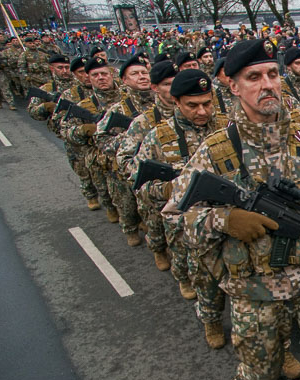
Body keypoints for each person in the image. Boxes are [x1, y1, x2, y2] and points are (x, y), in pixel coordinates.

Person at [162, 39, 300, 380]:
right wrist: (225, 221)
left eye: (273, 74)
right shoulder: (216, 149)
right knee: (261, 367)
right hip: (252, 288)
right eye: (253, 77)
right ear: (234, 87)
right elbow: (174, 215)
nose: (267, 84)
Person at [134, 69, 234, 348]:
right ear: (176, 102)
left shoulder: (229, 126)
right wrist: (168, 190)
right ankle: (212, 321)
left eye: (207, 103)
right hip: (189, 224)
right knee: (205, 280)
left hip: (230, 217)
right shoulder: (158, 136)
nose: (202, 111)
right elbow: (138, 183)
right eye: (193, 105)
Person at [116, 60, 180, 273]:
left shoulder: (194, 116)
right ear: (156, 88)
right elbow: (124, 160)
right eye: (167, 84)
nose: (173, 89)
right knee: (155, 226)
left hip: (184, 189)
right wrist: (151, 174)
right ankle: (158, 249)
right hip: (156, 190)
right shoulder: (144, 122)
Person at [94, 55, 157, 247]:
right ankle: (130, 228)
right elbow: (101, 140)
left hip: (152, 166)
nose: (142, 77)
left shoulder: (161, 104)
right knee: (127, 205)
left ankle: (156, 242)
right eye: (135, 74)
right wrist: (130, 137)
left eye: (144, 72)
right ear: (125, 80)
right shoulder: (118, 108)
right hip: (125, 167)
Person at [63, 57, 123, 220]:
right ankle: (110, 208)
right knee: (104, 190)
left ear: (111, 74)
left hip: (123, 151)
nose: (100, 78)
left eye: (104, 73)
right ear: (89, 78)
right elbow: (66, 132)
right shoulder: (83, 105)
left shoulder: (127, 97)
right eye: (95, 75)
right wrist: (83, 130)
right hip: (97, 156)